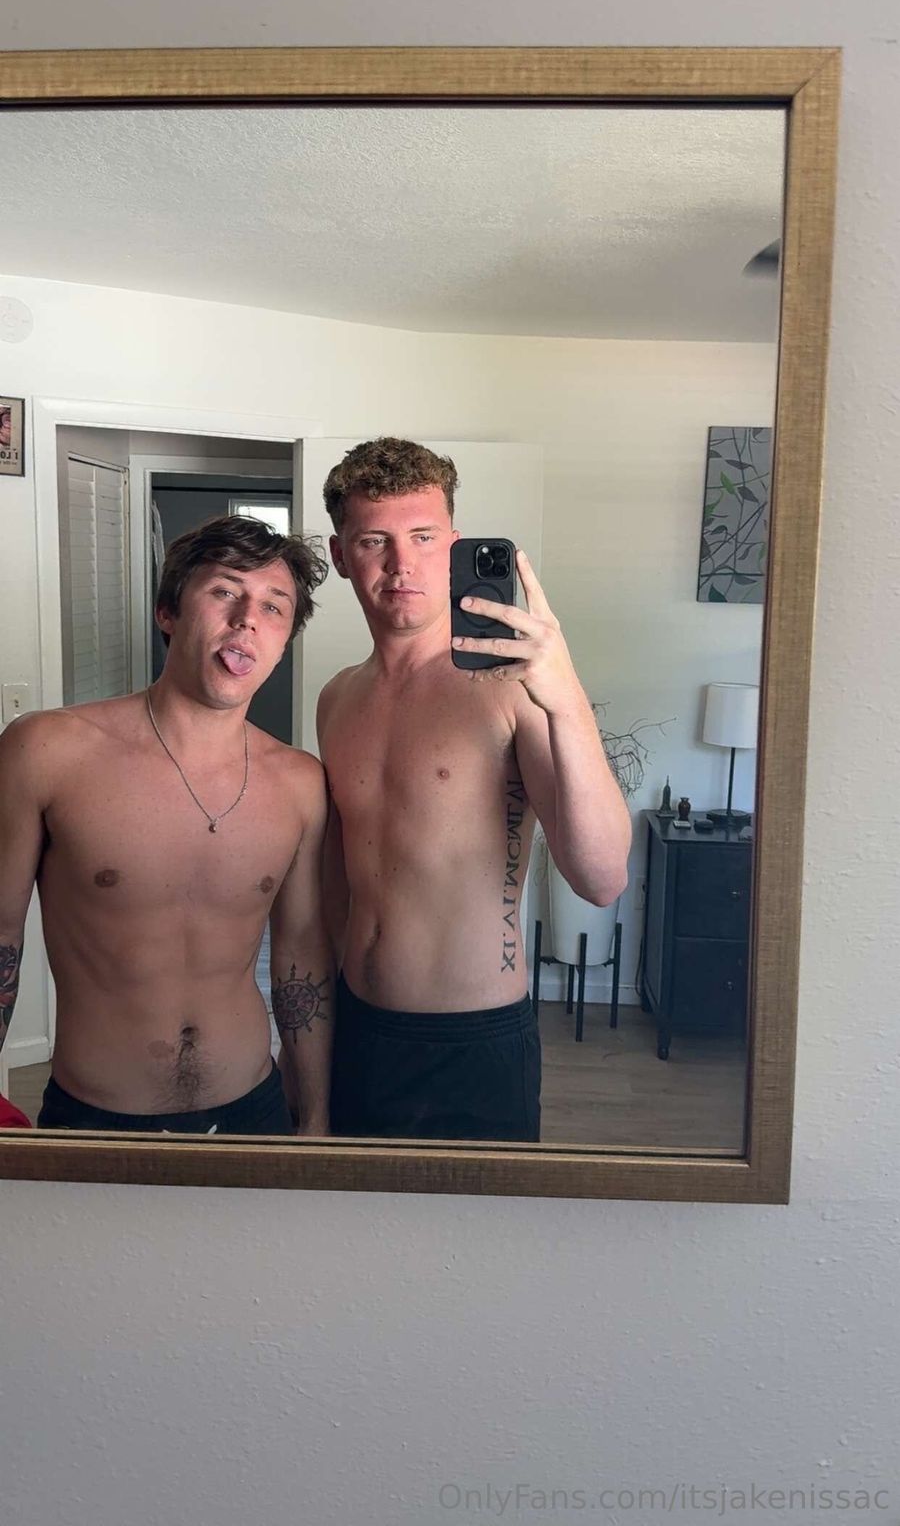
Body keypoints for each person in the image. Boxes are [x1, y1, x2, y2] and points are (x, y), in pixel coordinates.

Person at [316, 437, 632, 1142]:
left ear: (454, 545)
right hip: (359, 1027)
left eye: (424, 537)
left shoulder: (512, 688)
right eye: (374, 540)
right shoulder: (337, 697)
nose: (402, 564)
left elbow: (603, 878)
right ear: (340, 555)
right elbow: (340, 876)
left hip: (475, 1042)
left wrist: (566, 697)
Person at [0, 514, 334, 1136]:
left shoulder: (299, 783)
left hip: (251, 1108)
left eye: (273, 606)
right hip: (96, 1118)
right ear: (168, 612)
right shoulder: (46, 751)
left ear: (285, 639)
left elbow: (301, 957)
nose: (247, 619)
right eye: (224, 591)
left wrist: (314, 1114)